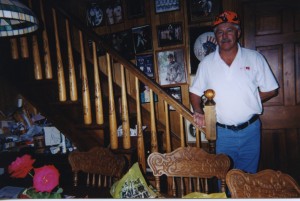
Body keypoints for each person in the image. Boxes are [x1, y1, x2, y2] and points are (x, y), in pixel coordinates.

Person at [189, 11, 279, 174]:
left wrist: (250, 99)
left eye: (229, 30)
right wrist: (198, 111)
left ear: (238, 33)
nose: (224, 35)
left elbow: (271, 89)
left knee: (247, 179)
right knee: (223, 177)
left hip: (251, 130)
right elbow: (194, 92)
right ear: (215, 36)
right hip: (222, 133)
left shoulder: (255, 58)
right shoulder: (206, 64)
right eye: (220, 32)